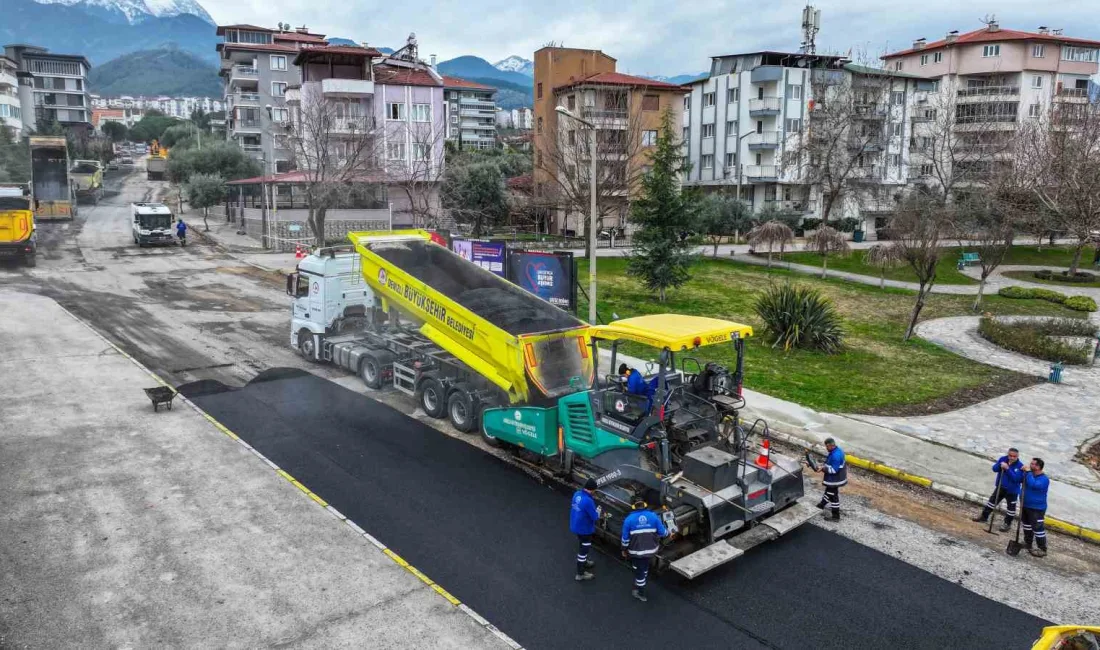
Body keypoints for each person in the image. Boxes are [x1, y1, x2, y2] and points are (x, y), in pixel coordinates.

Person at [620, 499, 669, 602]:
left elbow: (625, 539)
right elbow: (663, 533)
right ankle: (642, 576)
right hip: (651, 550)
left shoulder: (629, 520)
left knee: (639, 571)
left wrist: (624, 549)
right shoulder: (653, 516)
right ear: (645, 505)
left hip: (636, 552)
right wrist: (669, 533)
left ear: (633, 507)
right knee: (644, 566)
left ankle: (640, 592)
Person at [972, 447, 1024, 531]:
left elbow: (1016, 479)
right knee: (991, 502)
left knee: (1011, 509)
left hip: (1012, 491)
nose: (1012, 458)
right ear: (1008, 454)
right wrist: (1000, 465)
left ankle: (1007, 524)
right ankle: (984, 517)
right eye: (1010, 455)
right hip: (1000, 487)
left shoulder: (1020, 466)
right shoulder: (1003, 459)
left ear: (1017, 456)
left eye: (1014, 456)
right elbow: (994, 469)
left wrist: (1007, 469)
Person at [569, 478, 601, 582]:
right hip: (585, 529)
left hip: (576, 526)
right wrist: (598, 512)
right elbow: (595, 517)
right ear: (592, 490)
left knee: (581, 544)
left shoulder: (577, 494)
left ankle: (585, 562)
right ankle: (580, 573)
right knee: (583, 550)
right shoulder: (588, 501)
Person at [1021, 458, 1050, 557]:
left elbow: (1033, 485)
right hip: (1025, 505)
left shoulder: (1044, 479)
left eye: (1032, 464)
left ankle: (1042, 549)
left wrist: (1028, 473)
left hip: (1036, 508)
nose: (1030, 465)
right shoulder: (1029, 475)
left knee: (1038, 528)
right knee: (1027, 525)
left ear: (1038, 467)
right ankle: (1028, 543)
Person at [814, 438, 847, 521]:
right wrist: (821, 466)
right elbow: (828, 463)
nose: (826, 448)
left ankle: (836, 516)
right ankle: (821, 505)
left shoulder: (836, 456)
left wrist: (822, 469)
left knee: (833, 496)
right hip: (836, 478)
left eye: (826, 446)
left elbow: (833, 470)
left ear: (830, 445)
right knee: (829, 492)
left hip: (835, 479)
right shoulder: (836, 451)